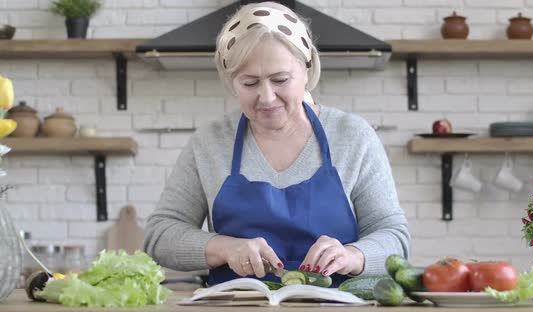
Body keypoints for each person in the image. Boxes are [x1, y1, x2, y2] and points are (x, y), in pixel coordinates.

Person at [143, 1, 410, 287]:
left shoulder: (353, 136)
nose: (267, 97)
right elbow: (160, 236)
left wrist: (353, 256)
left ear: (307, 69)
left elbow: (394, 238)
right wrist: (225, 247)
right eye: (249, 83)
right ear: (231, 82)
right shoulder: (209, 143)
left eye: (280, 79)